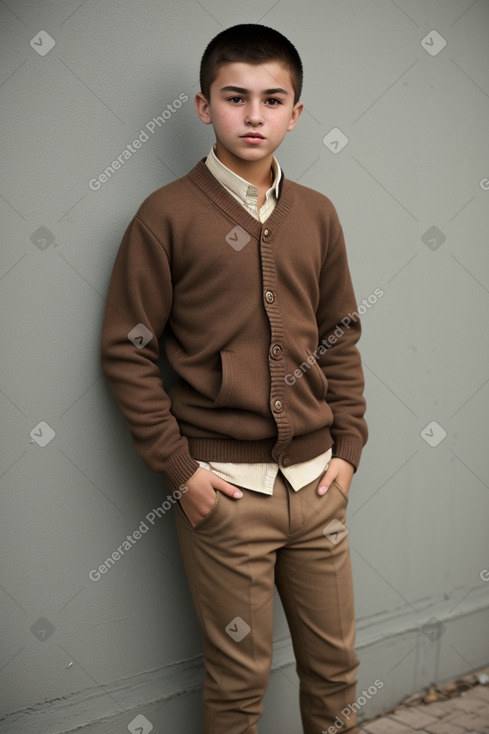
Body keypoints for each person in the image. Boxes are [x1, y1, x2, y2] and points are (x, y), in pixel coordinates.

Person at [101, 23, 368, 734]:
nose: (253, 115)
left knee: (337, 667)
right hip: (224, 494)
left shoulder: (317, 214)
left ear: (295, 112)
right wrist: (180, 471)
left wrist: (347, 451)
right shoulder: (166, 216)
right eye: (235, 97)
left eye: (272, 99)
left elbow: (340, 336)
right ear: (202, 105)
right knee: (238, 681)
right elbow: (127, 351)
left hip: (317, 487)